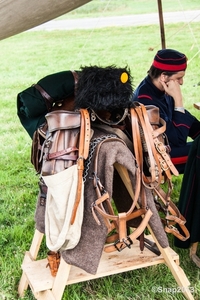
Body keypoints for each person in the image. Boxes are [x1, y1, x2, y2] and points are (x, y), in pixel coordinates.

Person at [132, 48, 200, 173]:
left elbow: (184, 118)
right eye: (179, 78)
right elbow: (178, 142)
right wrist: (179, 101)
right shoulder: (146, 101)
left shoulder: (159, 88)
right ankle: (191, 193)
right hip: (158, 159)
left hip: (168, 148)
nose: (181, 82)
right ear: (163, 76)